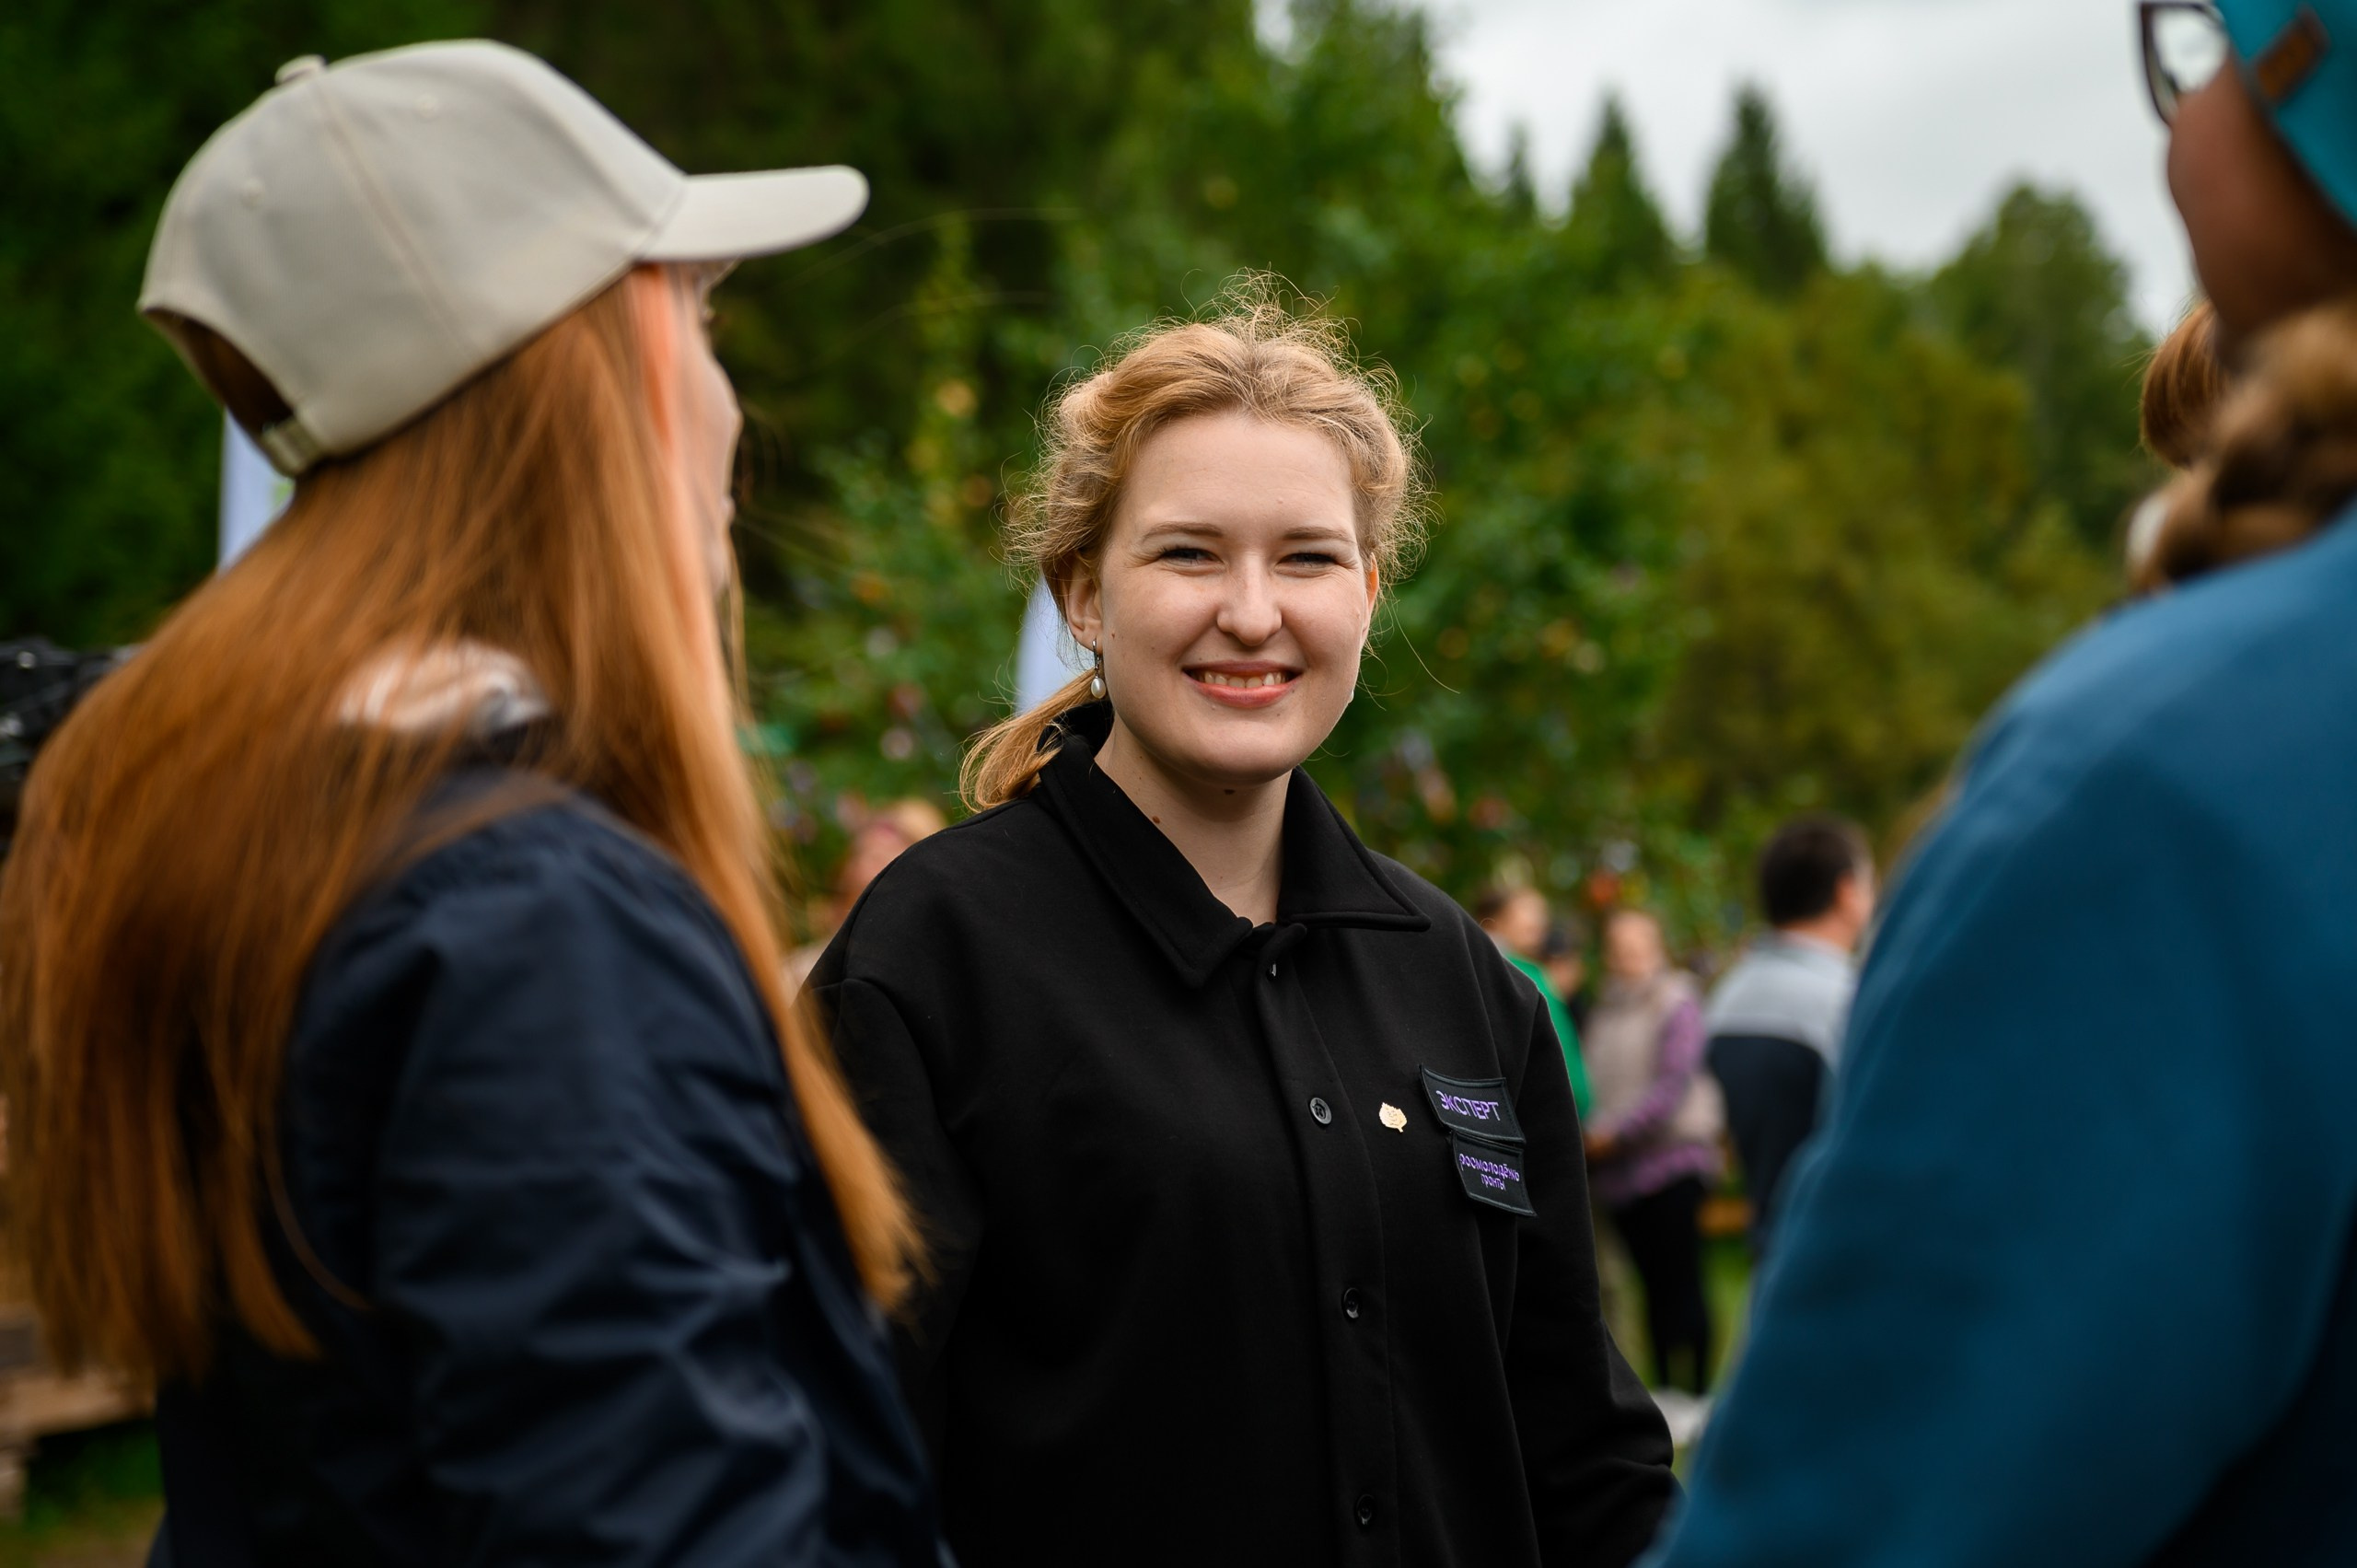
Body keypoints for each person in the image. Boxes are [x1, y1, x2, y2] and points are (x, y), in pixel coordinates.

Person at [0, 42, 944, 1563]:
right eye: (699, 312)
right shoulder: (537, 929)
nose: (727, 397)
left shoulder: (248, 825)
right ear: (619, 360)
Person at [1647, 4, 2357, 1560]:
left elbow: (1853, 1514)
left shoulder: (2164, 788)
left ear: (2310, 87)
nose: (2187, 110)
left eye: (2205, 46)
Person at [812, 295, 1678, 1566]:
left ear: (1370, 594)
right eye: (1190, 553)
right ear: (1083, 593)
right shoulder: (934, 958)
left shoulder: (1466, 984)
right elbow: (839, 1451)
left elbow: (1584, 1453)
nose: (1255, 612)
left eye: (1311, 557)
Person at [1701, 818, 1874, 1258]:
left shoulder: (1727, 996)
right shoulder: (1848, 1000)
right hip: (1842, 1240)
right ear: (1847, 891)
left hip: (1767, 1230)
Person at [1582, 908, 1724, 1398]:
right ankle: (1667, 1391)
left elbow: (1671, 1086)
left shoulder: (1676, 1001)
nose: (1627, 956)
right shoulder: (1606, 1009)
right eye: (1618, 947)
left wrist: (1611, 1133)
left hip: (1673, 1164)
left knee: (1683, 1281)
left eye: (1637, 945)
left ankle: (1700, 1393)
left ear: (1656, 945)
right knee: (1651, 1289)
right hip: (1621, 1175)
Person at [1477, 884, 1595, 1113]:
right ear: (1497, 919)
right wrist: (1581, 1105)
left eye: (1541, 913)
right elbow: (1559, 1045)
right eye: (1527, 911)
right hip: (1538, 1105)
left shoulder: (1484, 963)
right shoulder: (1527, 975)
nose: (1538, 921)